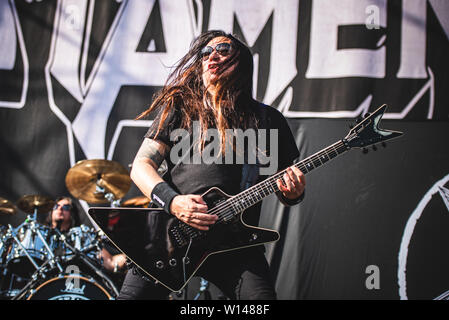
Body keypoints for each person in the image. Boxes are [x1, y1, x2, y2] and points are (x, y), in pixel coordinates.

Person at [118, 30, 305, 300]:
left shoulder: (267, 120)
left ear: (242, 62)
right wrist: (173, 202)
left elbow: (284, 186)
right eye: (205, 53)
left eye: (223, 50)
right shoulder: (179, 109)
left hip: (235, 244)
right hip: (169, 236)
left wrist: (294, 194)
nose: (211, 56)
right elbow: (141, 165)